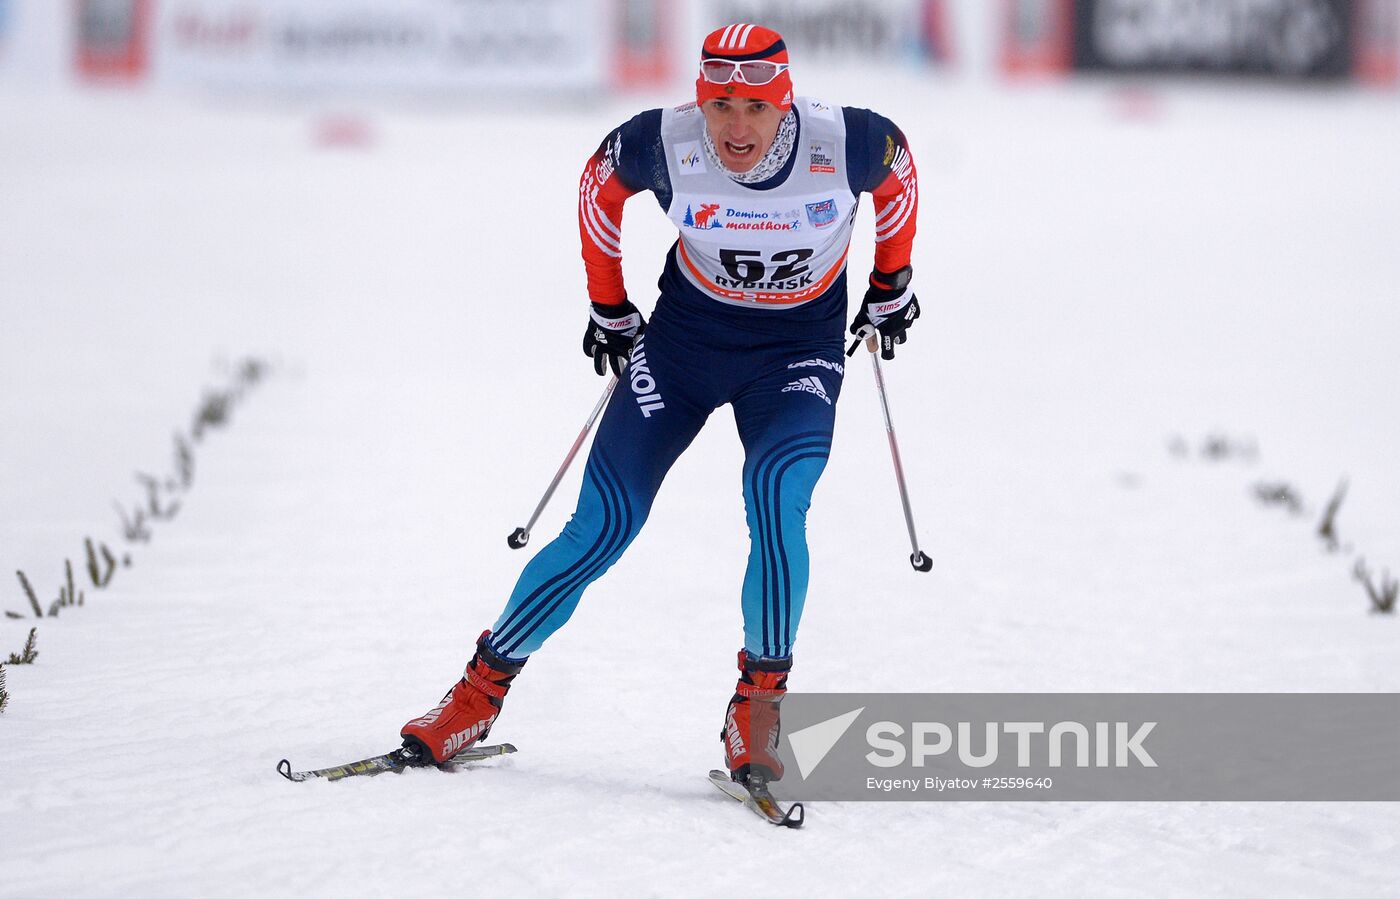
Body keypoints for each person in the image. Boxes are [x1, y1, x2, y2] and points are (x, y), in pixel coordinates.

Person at [402, 23, 920, 789]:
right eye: (719, 104)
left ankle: (758, 706)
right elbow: (596, 190)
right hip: (684, 347)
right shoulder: (662, 140)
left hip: (795, 353)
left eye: (754, 106)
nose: (735, 127)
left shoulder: (845, 141)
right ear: (698, 98)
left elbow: (899, 174)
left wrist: (892, 283)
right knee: (603, 523)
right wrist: (609, 308)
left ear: (784, 102)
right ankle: (476, 695)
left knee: (778, 497)